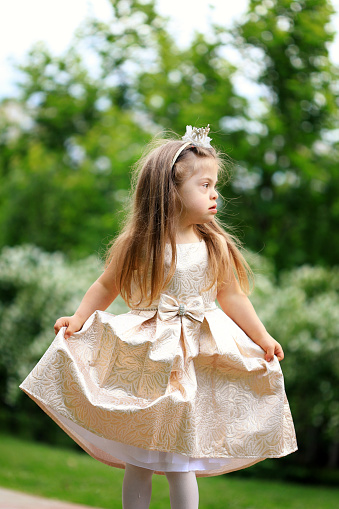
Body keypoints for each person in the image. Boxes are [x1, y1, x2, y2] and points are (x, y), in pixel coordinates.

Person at [20, 125, 297, 509]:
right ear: (171, 191)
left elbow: (231, 295)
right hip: (151, 355)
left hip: (196, 354)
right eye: (204, 185)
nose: (215, 193)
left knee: (179, 458)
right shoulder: (139, 243)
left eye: (214, 184)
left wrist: (262, 337)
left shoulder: (213, 244)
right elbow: (106, 286)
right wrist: (79, 317)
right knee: (142, 456)